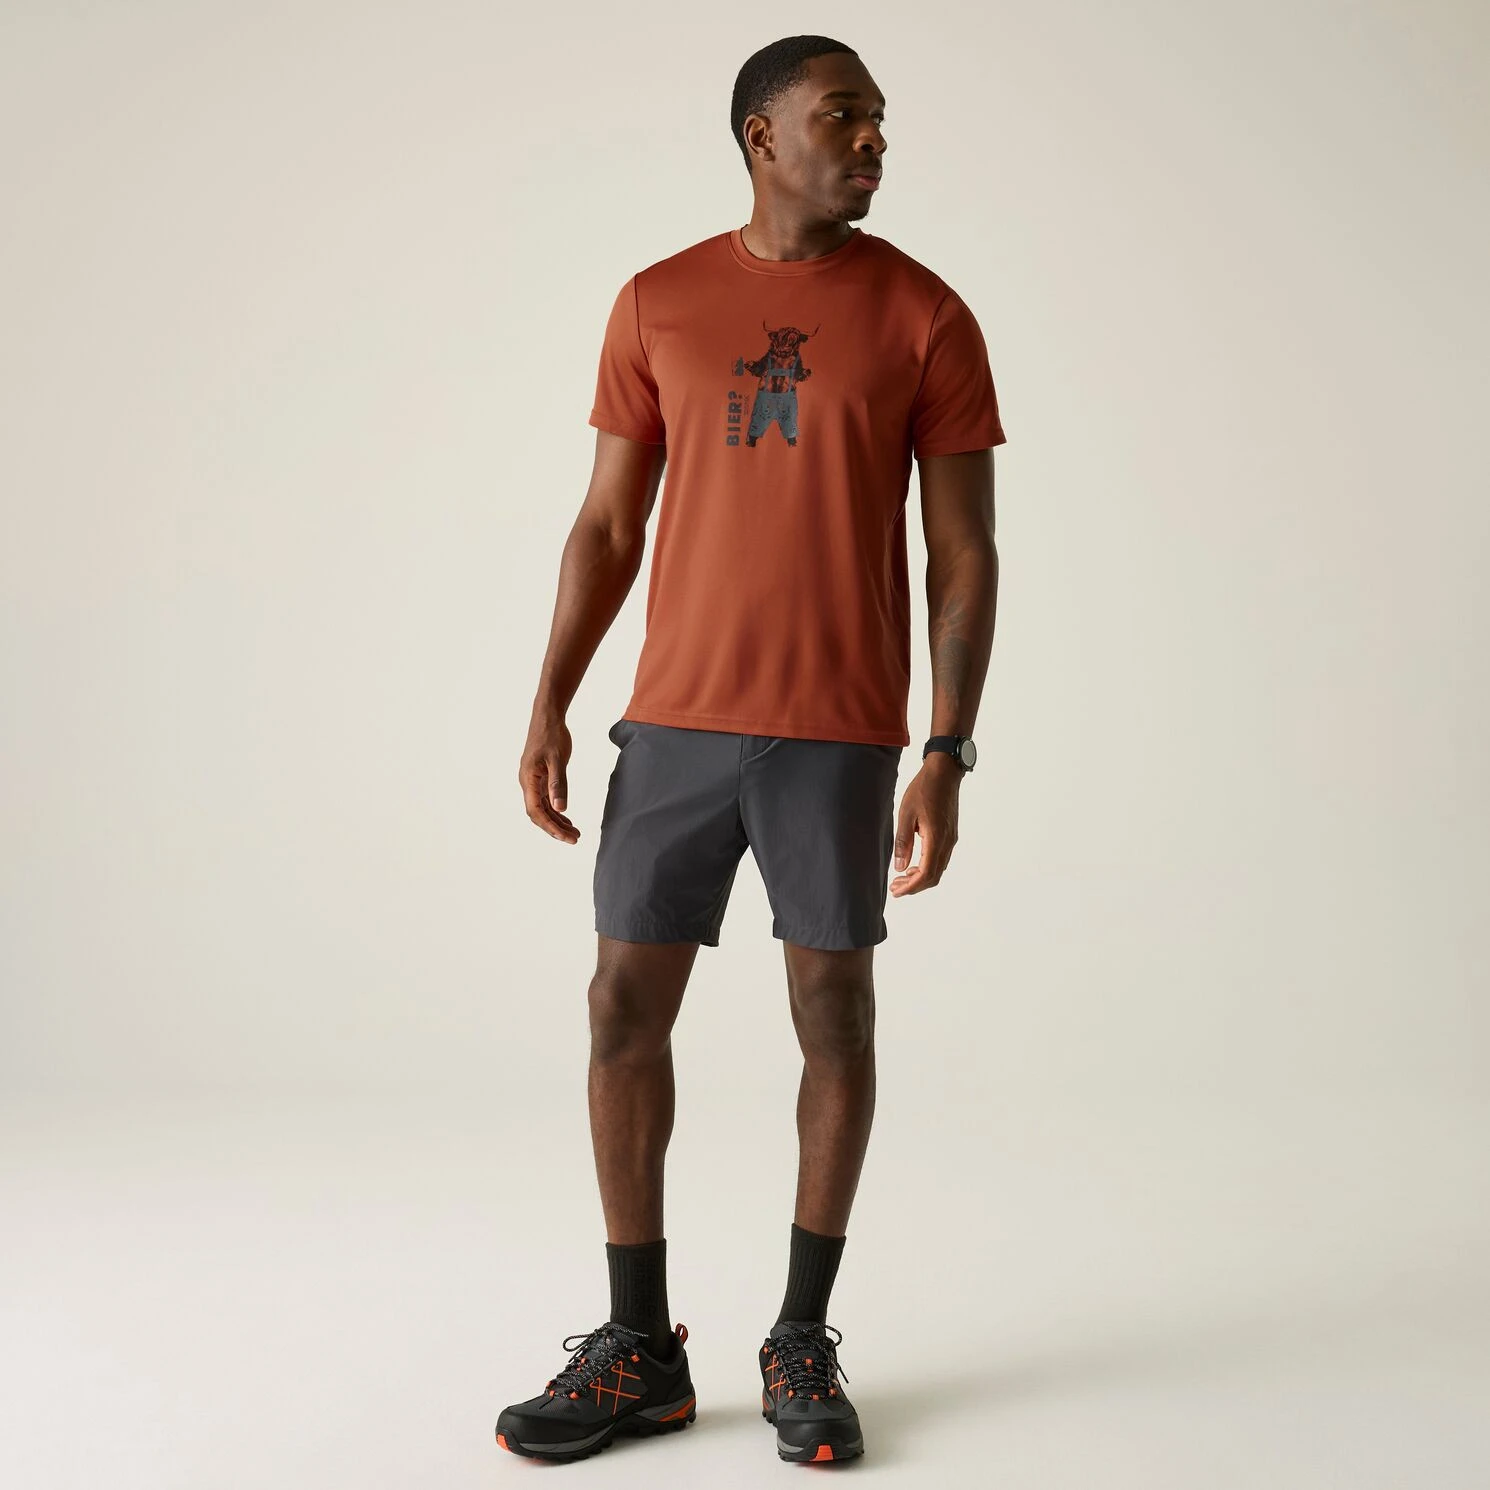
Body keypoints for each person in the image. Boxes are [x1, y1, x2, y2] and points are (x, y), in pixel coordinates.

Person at [498, 33, 1005, 1466]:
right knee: (620, 1009)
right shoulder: (658, 301)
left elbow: (963, 556)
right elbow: (608, 522)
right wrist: (549, 695)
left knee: (832, 1018)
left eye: (880, 119)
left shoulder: (925, 315)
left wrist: (946, 748)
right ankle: (639, 1349)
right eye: (844, 116)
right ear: (761, 136)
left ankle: (800, 1334)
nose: (874, 139)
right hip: (673, 722)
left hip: (835, 732)